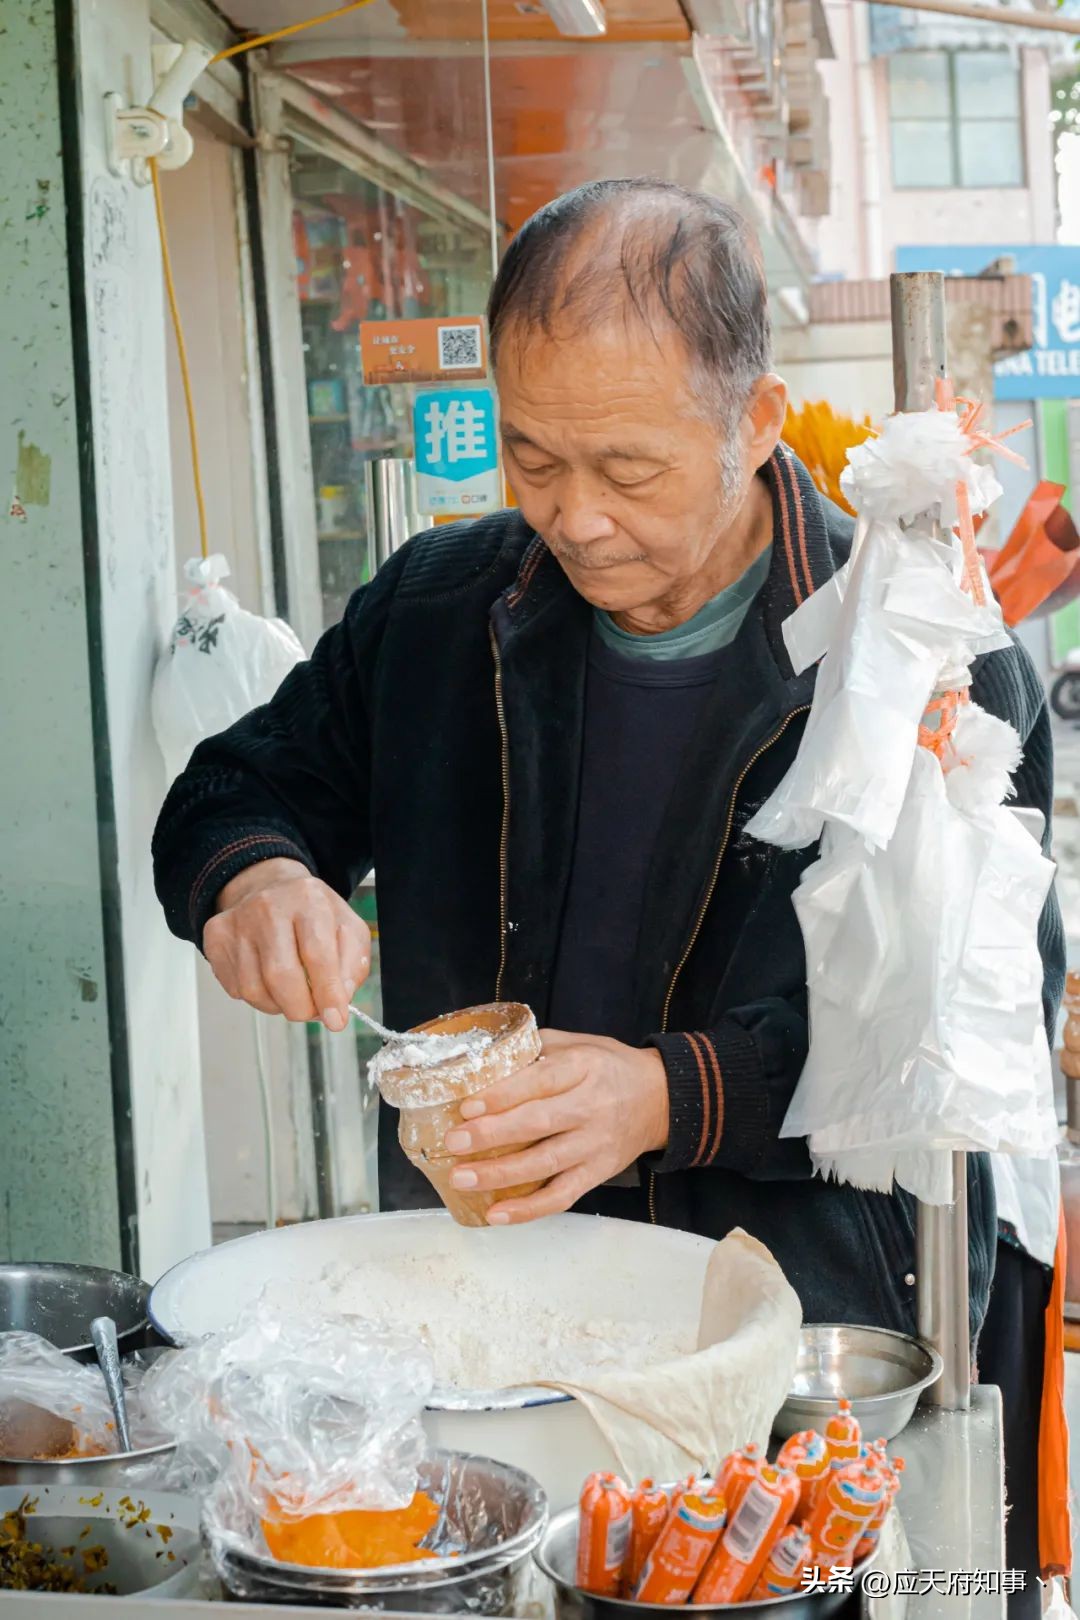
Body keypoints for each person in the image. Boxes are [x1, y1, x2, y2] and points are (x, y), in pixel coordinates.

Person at [154, 180, 1063, 1595]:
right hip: (488, 1338)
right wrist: (254, 876)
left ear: (755, 423)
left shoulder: (927, 660)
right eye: (531, 457)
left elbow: (970, 1031)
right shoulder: (442, 612)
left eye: (626, 470)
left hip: (792, 1356)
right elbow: (236, 788)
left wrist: (667, 1092)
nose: (571, 519)